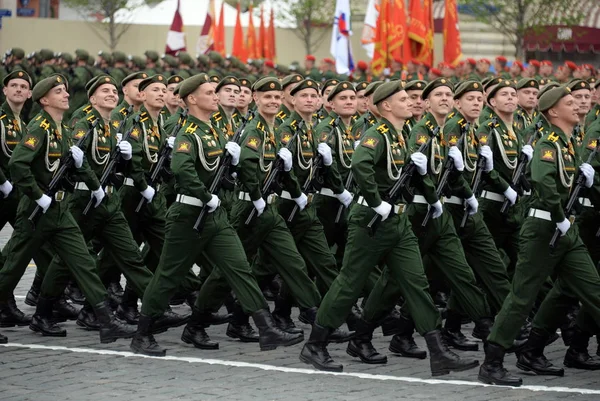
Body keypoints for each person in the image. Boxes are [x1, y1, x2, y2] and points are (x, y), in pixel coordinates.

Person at [299, 80, 479, 376]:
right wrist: (375, 200)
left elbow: (411, 176)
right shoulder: (377, 134)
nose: (410, 102)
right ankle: (316, 344)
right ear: (386, 106)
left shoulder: (401, 135)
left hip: (398, 221)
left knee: (416, 282)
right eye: (403, 99)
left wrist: (433, 200)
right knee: (349, 283)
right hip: (371, 220)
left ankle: (438, 351)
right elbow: (360, 164)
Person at [130, 73, 303, 356]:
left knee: (239, 268)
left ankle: (266, 328)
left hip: (216, 216)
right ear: (192, 99)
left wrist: (231, 168)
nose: (215, 95)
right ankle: (142, 333)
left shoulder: (215, 131)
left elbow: (220, 173)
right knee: (169, 275)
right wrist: (204, 194)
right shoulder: (188, 134)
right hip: (188, 215)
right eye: (209, 92)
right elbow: (182, 170)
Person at [478, 86, 600, 387]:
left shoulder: (569, 143)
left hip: (565, 230)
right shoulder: (549, 144)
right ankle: (492, 361)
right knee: (522, 295)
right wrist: (560, 218)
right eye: (569, 103)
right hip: (544, 230)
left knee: (594, 289)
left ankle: (532, 351)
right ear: (553, 112)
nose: (576, 106)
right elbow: (543, 183)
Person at [0, 75, 134, 344]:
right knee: (12, 266)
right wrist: (38, 196)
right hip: (36, 211)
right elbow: (18, 164)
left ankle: (106, 321)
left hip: (60, 210)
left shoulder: (61, 129)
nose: (65, 95)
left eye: (64, 90)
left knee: (84, 262)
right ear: (44, 100)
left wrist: (93, 185)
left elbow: (72, 167)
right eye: (58, 92)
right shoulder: (40, 127)